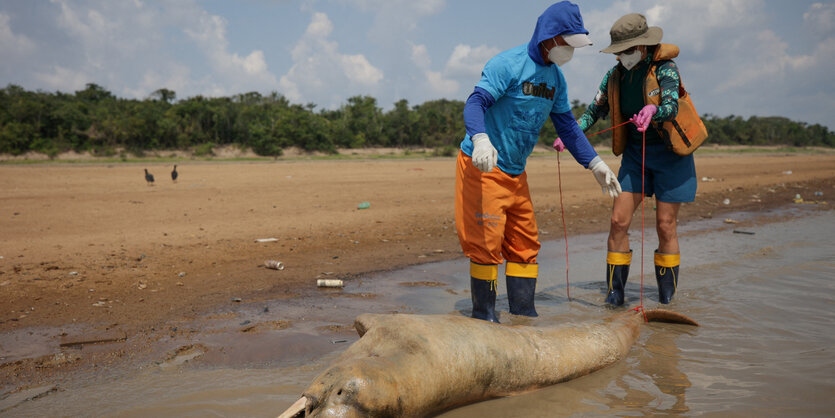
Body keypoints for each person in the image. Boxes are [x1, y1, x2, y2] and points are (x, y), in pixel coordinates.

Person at [455, 1, 621, 323]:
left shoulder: (556, 79)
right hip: (485, 166)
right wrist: (480, 138)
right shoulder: (508, 65)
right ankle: (484, 317)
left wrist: (595, 164)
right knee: (487, 244)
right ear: (550, 37)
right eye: (568, 44)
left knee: (525, 243)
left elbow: (568, 128)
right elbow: (476, 103)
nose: (570, 52)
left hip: (516, 172)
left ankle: (524, 317)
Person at [576, 13, 698, 306]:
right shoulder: (614, 76)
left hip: (671, 155)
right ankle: (615, 295)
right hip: (635, 156)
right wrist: (570, 134)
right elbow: (593, 111)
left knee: (665, 225)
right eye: (618, 51)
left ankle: (666, 299)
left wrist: (654, 111)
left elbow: (670, 104)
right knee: (618, 221)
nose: (622, 56)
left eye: (627, 50)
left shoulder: (665, 69)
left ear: (643, 46)